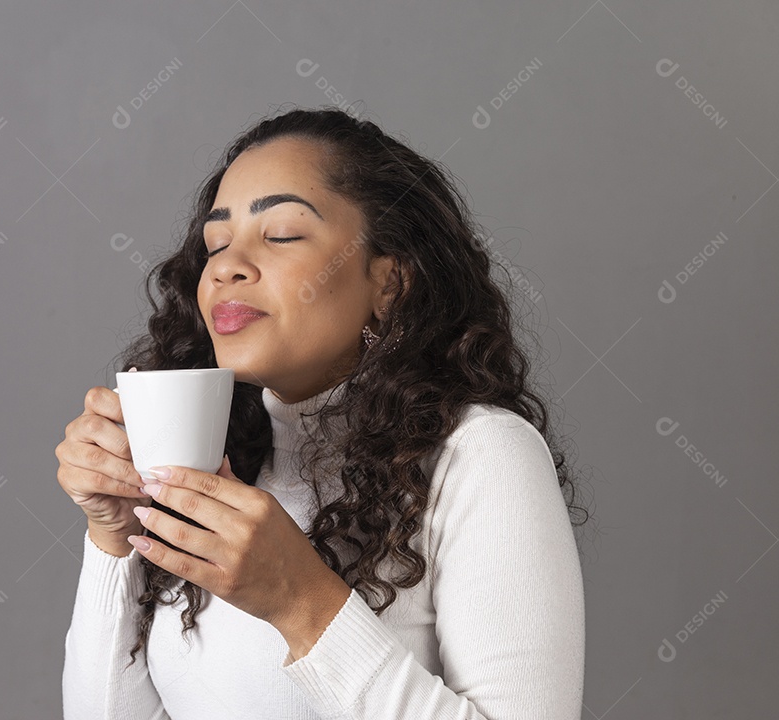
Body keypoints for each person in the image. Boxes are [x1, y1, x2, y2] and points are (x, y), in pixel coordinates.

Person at [56, 105, 589, 719]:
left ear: (390, 282)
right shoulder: (219, 458)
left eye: (281, 234)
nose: (226, 266)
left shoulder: (481, 456)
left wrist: (300, 601)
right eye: (215, 244)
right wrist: (113, 536)